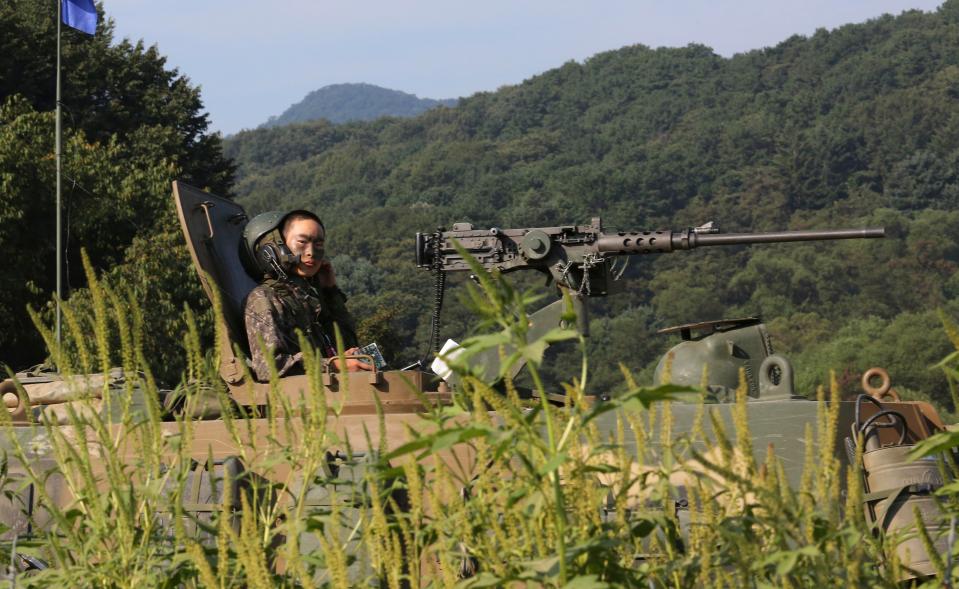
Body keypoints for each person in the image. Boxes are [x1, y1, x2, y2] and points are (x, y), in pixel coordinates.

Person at [242, 209, 371, 381]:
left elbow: (346, 343)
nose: (311, 252)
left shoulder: (308, 296)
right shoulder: (263, 299)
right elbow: (269, 366)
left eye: (318, 244)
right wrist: (332, 365)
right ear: (272, 250)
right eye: (302, 242)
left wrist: (331, 293)